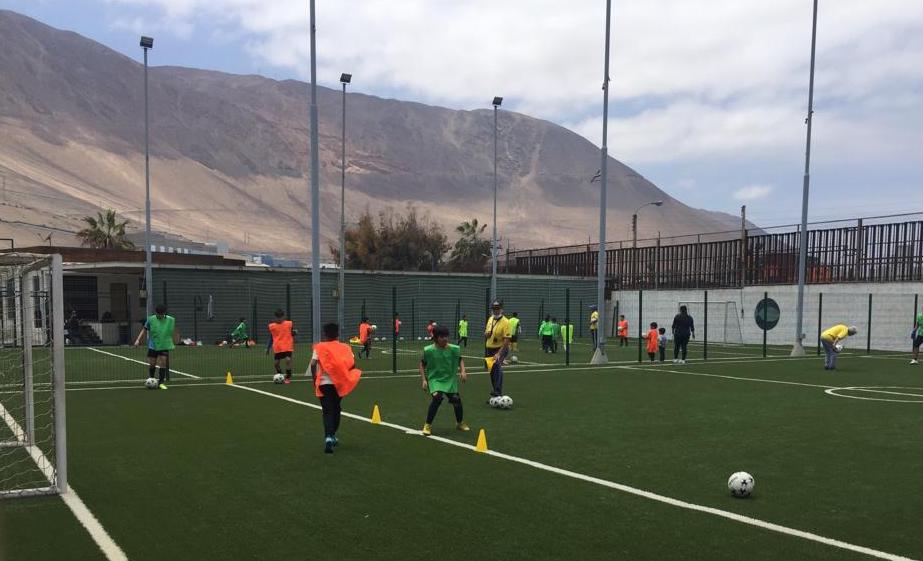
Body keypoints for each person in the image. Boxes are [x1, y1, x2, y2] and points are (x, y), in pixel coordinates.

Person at [309, 323, 362, 453]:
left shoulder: (319, 347)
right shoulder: (345, 347)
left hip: (324, 384)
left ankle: (328, 437)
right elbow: (352, 364)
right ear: (337, 333)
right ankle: (332, 435)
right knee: (336, 409)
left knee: (327, 411)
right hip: (339, 384)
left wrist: (314, 379)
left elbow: (313, 364)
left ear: (325, 334)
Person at [420, 325, 469, 436]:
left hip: (450, 379)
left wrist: (463, 371)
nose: (445, 339)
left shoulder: (454, 349)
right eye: (442, 337)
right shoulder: (429, 350)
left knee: (456, 400)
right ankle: (427, 425)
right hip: (435, 380)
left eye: (446, 336)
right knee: (437, 398)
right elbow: (422, 364)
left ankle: (459, 423)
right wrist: (424, 380)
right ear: (436, 338)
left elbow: (460, 360)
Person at [133, 304, 178, 390]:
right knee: (152, 364)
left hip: (164, 345)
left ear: (164, 313)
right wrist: (138, 340)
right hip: (153, 346)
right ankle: (152, 379)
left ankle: (161, 382)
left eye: (161, 314)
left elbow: (173, 330)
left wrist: (175, 338)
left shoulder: (169, 320)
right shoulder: (151, 320)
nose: (159, 315)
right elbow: (144, 329)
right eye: (158, 314)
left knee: (163, 363)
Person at [484, 300, 512, 399]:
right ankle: (496, 390)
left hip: (500, 348)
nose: (495, 310)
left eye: (497, 308)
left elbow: (507, 340)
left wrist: (499, 353)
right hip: (489, 348)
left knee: (497, 367)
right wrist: (486, 334)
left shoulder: (506, 322)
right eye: (494, 308)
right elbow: (486, 332)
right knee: (492, 370)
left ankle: (498, 392)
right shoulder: (490, 319)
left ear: (501, 309)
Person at [266, 309, 295, 384]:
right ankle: (281, 375)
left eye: (280, 317)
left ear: (283, 317)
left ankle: (288, 377)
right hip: (278, 347)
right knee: (276, 364)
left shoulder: (289, 323)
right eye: (277, 317)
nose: (279, 319)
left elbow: (291, 332)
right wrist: (268, 348)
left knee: (288, 360)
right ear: (275, 317)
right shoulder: (272, 326)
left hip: (287, 346)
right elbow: (271, 337)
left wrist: (294, 333)